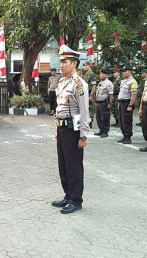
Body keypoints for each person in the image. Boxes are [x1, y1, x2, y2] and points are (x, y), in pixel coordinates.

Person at [51, 45, 90, 214]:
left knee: (74, 166)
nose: (61, 65)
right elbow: (59, 107)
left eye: (65, 62)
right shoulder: (61, 81)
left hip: (73, 130)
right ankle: (68, 195)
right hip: (62, 129)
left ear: (74, 63)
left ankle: (76, 200)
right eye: (61, 61)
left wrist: (83, 135)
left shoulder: (79, 84)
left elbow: (84, 110)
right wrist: (56, 128)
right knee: (64, 165)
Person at [116, 65, 138, 144]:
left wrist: (130, 105)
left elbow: (134, 94)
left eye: (124, 71)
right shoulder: (123, 81)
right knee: (121, 121)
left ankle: (128, 137)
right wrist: (119, 104)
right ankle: (124, 136)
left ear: (129, 71)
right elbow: (121, 93)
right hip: (121, 102)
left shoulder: (133, 82)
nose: (123, 73)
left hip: (127, 103)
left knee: (127, 121)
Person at [93, 68, 114, 138]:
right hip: (99, 103)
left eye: (102, 74)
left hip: (105, 103)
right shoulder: (100, 83)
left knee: (105, 117)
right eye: (100, 74)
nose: (100, 75)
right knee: (98, 117)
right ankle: (101, 130)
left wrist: (110, 104)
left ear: (106, 75)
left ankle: (105, 131)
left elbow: (111, 94)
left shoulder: (108, 83)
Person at [83, 62, 97, 128]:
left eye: (85, 65)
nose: (84, 67)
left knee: (90, 108)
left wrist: (91, 95)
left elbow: (94, 85)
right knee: (86, 108)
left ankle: (90, 122)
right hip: (85, 93)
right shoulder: (86, 73)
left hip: (89, 93)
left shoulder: (92, 74)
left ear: (89, 66)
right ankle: (87, 121)